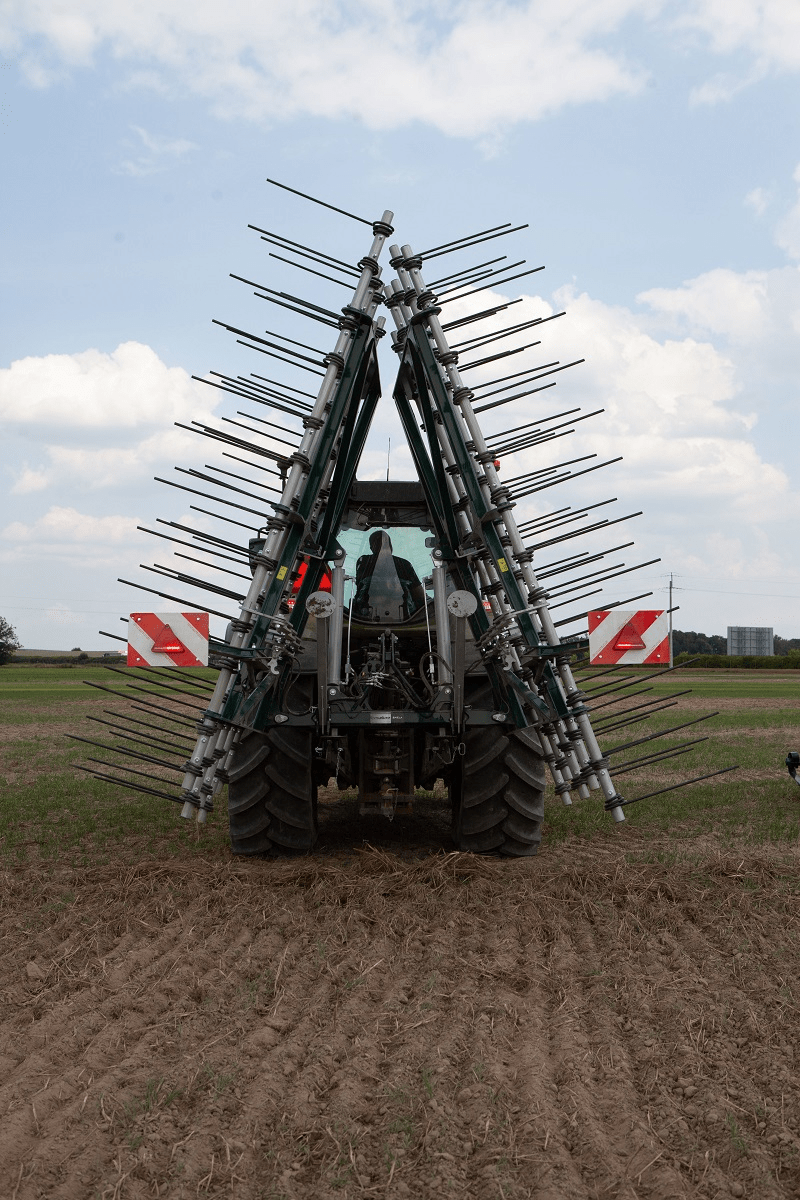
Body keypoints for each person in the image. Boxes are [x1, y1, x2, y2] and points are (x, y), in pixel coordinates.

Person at [354, 530, 425, 621]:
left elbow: (359, 588)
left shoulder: (363, 561)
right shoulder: (404, 564)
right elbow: (419, 595)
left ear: (372, 547)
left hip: (366, 618)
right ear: (391, 546)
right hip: (404, 620)